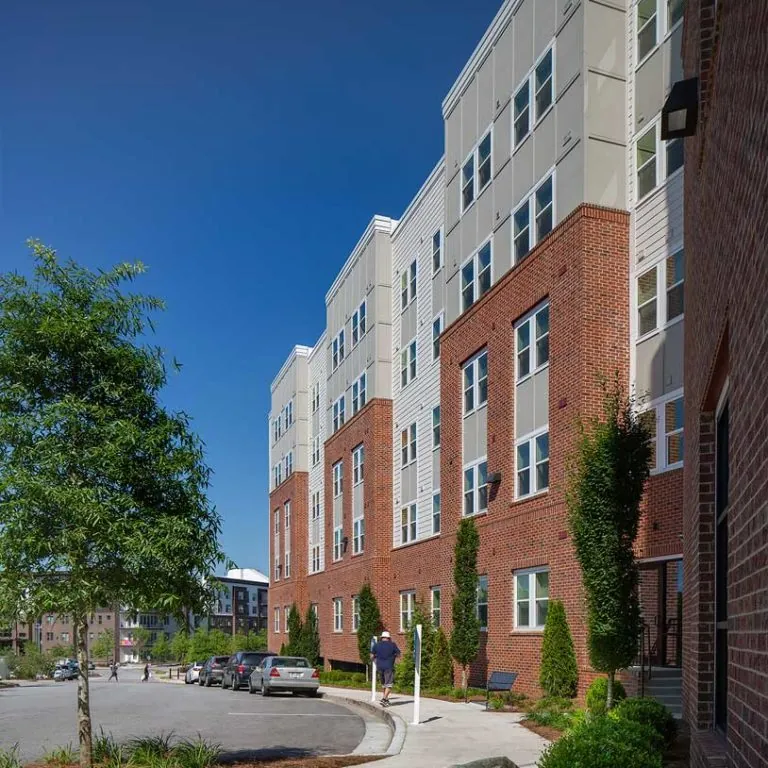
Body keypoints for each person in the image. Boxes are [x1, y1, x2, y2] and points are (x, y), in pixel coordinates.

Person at [370, 630, 400, 707]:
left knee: (384, 684)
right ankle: (384, 698)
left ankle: (386, 700)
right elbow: (398, 654)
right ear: (388, 638)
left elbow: (371, 656)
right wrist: (394, 657)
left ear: (382, 637)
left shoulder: (376, 645)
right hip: (389, 667)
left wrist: (376, 659)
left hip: (379, 666)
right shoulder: (393, 645)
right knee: (389, 685)